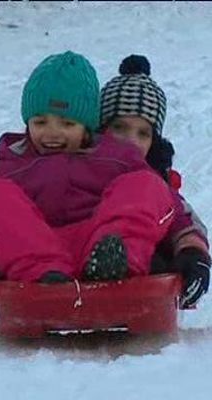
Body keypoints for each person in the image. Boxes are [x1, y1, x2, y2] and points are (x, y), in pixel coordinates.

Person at [0, 51, 209, 318]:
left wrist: (193, 252)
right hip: (32, 255)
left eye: (67, 123)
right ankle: (47, 277)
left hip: (102, 247)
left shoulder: (117, 158)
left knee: (147, 184)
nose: (52, 133)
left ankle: (117, 262)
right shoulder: (8, 165)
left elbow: (172, 210)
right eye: (40, 122)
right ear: (26, 122)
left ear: (88, 127)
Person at [100, 54, 210, 308]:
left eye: (143, 133)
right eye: (120, 127)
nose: (131, 140)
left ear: (153, 142)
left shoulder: (153, 181)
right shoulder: (83, 169)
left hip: (140, 265)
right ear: (100, 129)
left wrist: (193, 254)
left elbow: (183, 221)